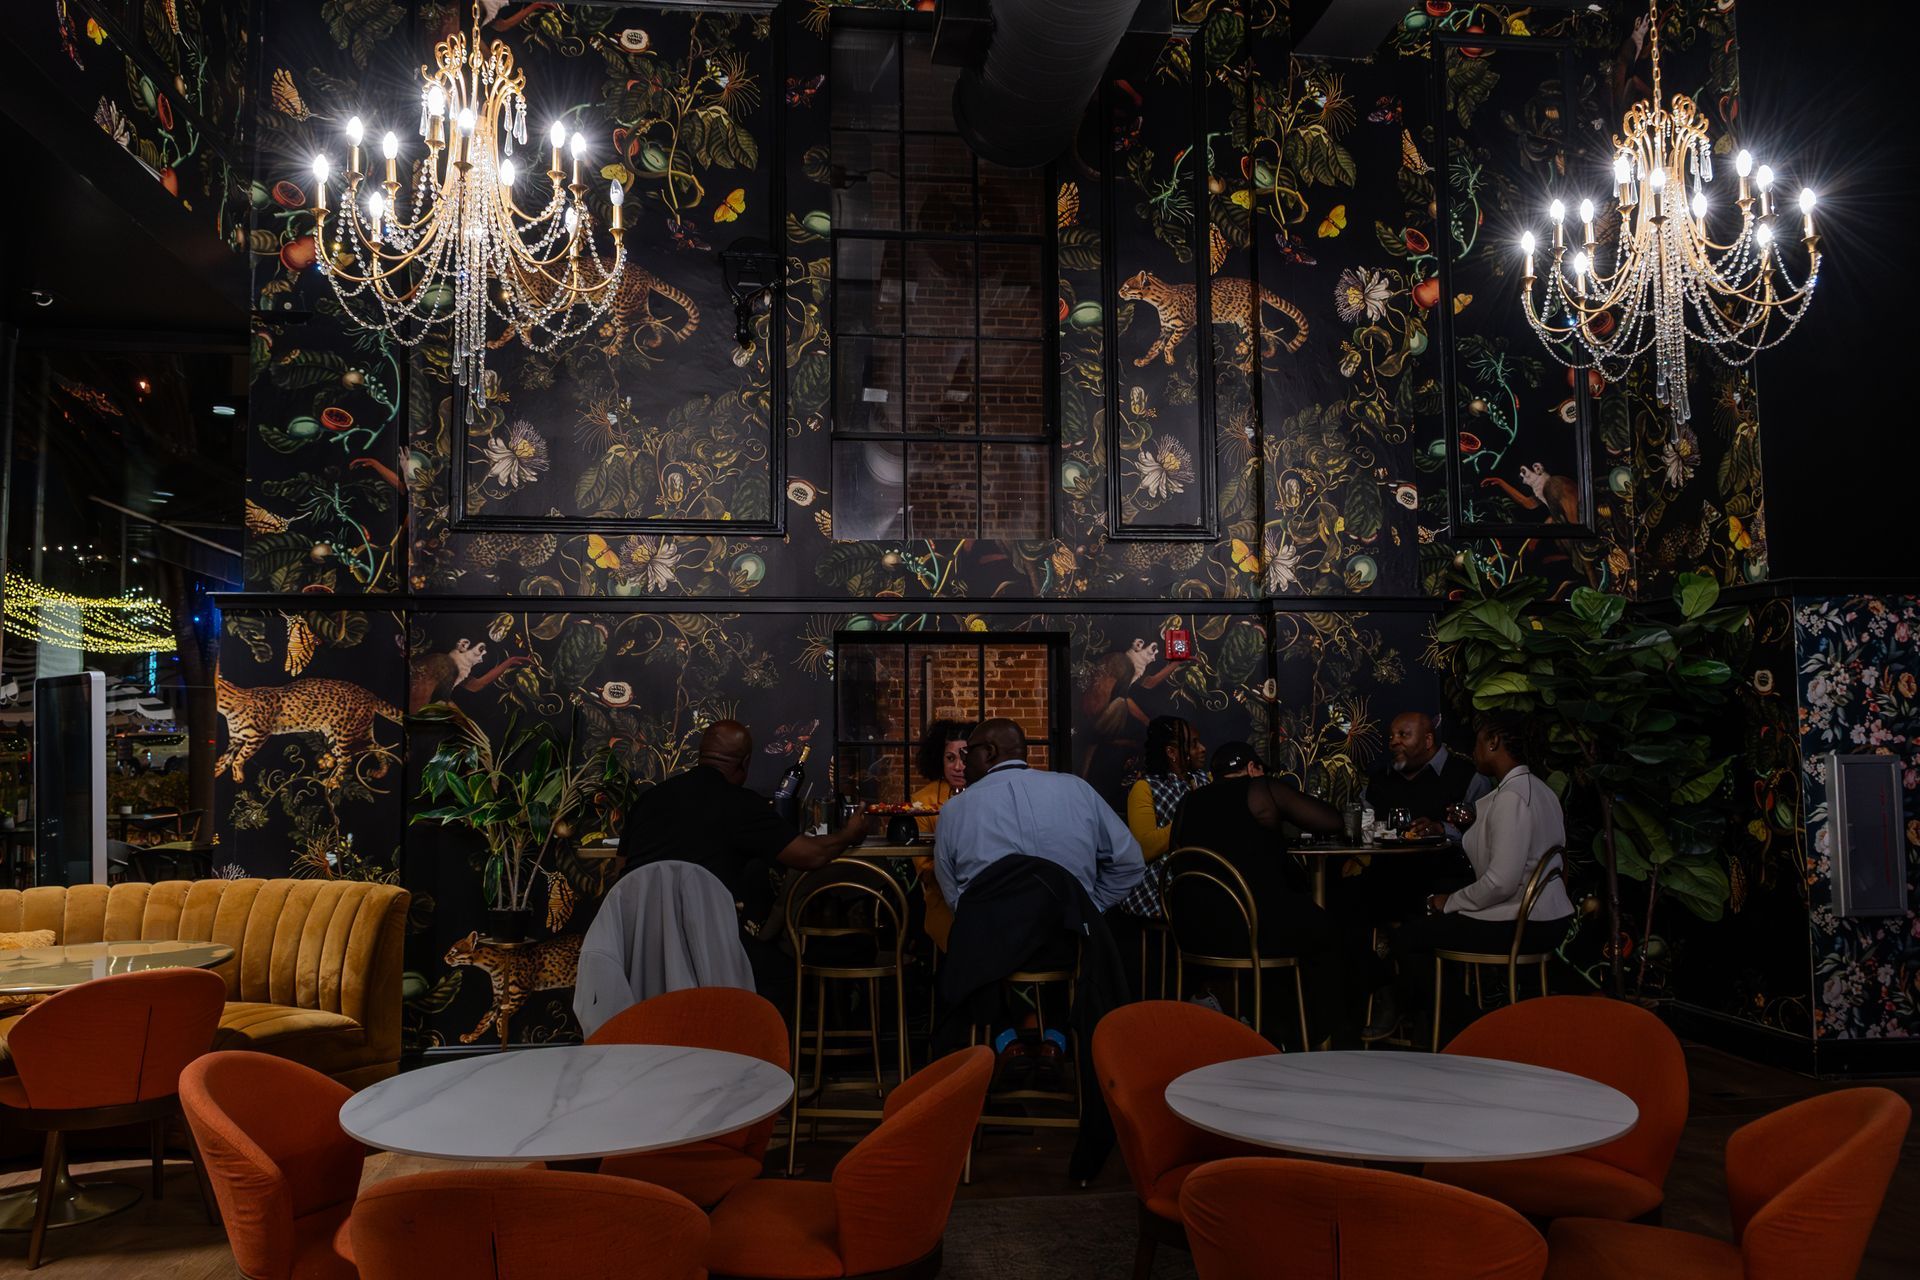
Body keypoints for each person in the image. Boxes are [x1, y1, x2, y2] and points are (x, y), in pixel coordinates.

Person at [1365, 710, 1575, 1042]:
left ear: (1494, 742)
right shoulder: (1538, 789)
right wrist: (1468, 824)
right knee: (1420, 926)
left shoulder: (1512, 797)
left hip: (1524, 922)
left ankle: (1470, 1029)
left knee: (1409, 938)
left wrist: (1448, 901)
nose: (1473, 751)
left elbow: (1500, 882)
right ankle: (1442, 1028)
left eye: (1478, 742)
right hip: (1547, 917)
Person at [619, 720, 869, 997]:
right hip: (707, 947)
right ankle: (746, 1038)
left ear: (701, 755)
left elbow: (623, 874)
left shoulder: (648, 800)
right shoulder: (740, 804)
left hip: (638, 949)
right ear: (745, 763)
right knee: (785, 976)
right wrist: (849, 835)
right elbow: (810, 855)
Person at [1169, 742, 1348, 1044]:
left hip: (1193, 929)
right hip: (1250, 929)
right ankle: (1306, 1034)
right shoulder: (1260, 789)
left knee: (1298, 923)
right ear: (1253, 769)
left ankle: (1254, 1018)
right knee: (1329, 929)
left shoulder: (1189, 801)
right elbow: (1332, 821)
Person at [932, 719, 1145, 915]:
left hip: (992, 946)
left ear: (989, 752)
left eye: (968, 753)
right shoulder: (1077, 789)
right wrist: (1090, 907)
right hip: (1071, 942)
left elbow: (952, 895)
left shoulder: (954, 810)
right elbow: (1130, 862)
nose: (964, 763)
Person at [1358, 711, 1491, 923]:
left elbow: (1486, 835)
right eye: (1391, 737)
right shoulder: (1380, 780)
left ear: (1428, 740)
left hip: (1446, 882)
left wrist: (1442, 829)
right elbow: (1362, 823)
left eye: (1403, 735)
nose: (1394, 742)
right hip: (1386, 880)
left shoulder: (1468, 777)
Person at [1115, 716, 1209, 922]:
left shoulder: (1204, 780)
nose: (1202, 748)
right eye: (1193, 744)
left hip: (1202, 876)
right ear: (1171, 752)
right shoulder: (1145, 787)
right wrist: (1190, 818)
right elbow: (1144, 849)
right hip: (1161, 886)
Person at [911, 719, 974, 951]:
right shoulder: (922, 801)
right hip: (944, 903)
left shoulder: (990, 794)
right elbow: (925, 869)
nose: (958, 766)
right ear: (939, 759)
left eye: (965, 758)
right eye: (950, 758)